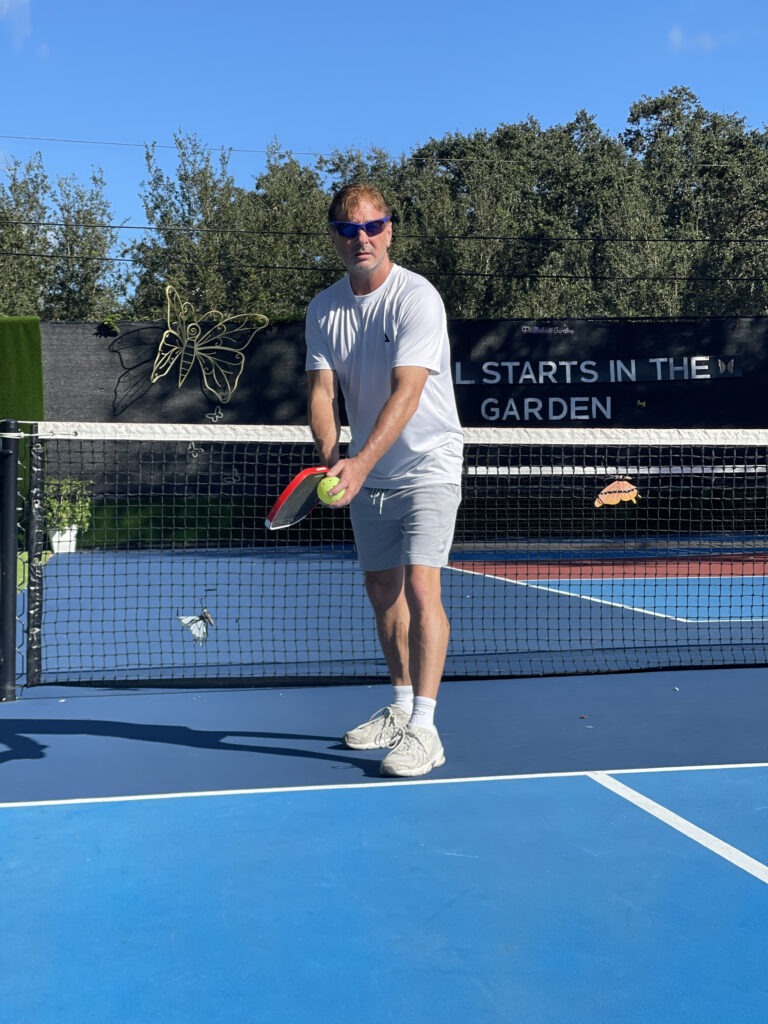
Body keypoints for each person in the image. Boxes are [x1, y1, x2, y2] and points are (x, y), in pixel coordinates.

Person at [305, 183, 463, 777]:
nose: (361, 239)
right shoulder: (323, 309)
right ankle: (400, 707)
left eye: (372, 227)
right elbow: (323, 391)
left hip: (428, 465)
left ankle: (426, 729)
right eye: (349, 230)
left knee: (422, 590)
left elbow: (409, 390)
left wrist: (360, 460)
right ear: (336, 239)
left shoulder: (417, 297)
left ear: (390, 230)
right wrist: (330, 458)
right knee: (381, 591)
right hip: (366, 472)